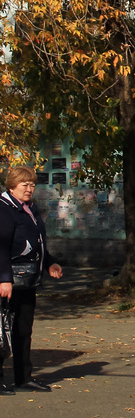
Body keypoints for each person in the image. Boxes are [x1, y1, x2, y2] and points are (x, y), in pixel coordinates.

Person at [0, 166, 63, 394]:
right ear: (12, 186)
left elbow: (37, 244)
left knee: (23, 329)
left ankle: (24, 378)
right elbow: (1, 247)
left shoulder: (30, 209)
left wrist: (49, 263)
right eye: (24, 185)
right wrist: (4, 279)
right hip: (7, 280)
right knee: (2, 330)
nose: (29, 189)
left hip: (27, 279)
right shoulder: (4, 209)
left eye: (32, 185)